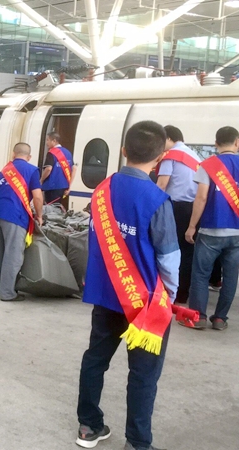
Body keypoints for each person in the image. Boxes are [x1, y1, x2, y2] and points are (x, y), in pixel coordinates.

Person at [75, 121, 179, 450]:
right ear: (160, 158)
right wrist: (169, 297)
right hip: (145, 305)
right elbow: (169, 260)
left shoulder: (102, 190)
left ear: (123, 151)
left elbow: (93, 239)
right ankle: (137, 442)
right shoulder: (158, 200)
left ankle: (89, 427)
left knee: (95, 358)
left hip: (106, 294)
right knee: (144, 374)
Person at [181, 126, 239, 331]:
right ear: (237, 142)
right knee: (230, 277)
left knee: (201, 274)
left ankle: (198, 317)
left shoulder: (208, 165)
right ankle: (220, 319)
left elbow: (201, 197)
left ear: (216, 144)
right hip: (236, 232)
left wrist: (191, 226)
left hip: (210, 230)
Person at [0, 142, 43, 302]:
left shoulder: (4, 171)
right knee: (13, 255)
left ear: (13, 154)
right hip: (14, 215)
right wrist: (40, 215)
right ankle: (8, 293)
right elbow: (37, 196)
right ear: (29, 157)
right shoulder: (32, 170)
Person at [156, 125, 201, 304]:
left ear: (168, 139)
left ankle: (167, 292)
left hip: (175, 209)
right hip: (193, 209)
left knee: (169, 250)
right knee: (187, 252)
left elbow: (161, 185)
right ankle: (182, 294)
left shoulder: (171, 156)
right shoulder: (194, 156)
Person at [40, 131, 77, 204]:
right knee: (58, 206)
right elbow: (74, 169)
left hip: (52, 187)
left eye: (48, 140)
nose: (46, 143)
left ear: (54, 141)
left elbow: (48, 169)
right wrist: (69, 185)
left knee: (51, 208)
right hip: (64, 186)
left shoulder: (51, 153)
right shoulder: (67, 152)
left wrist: (41, 180)